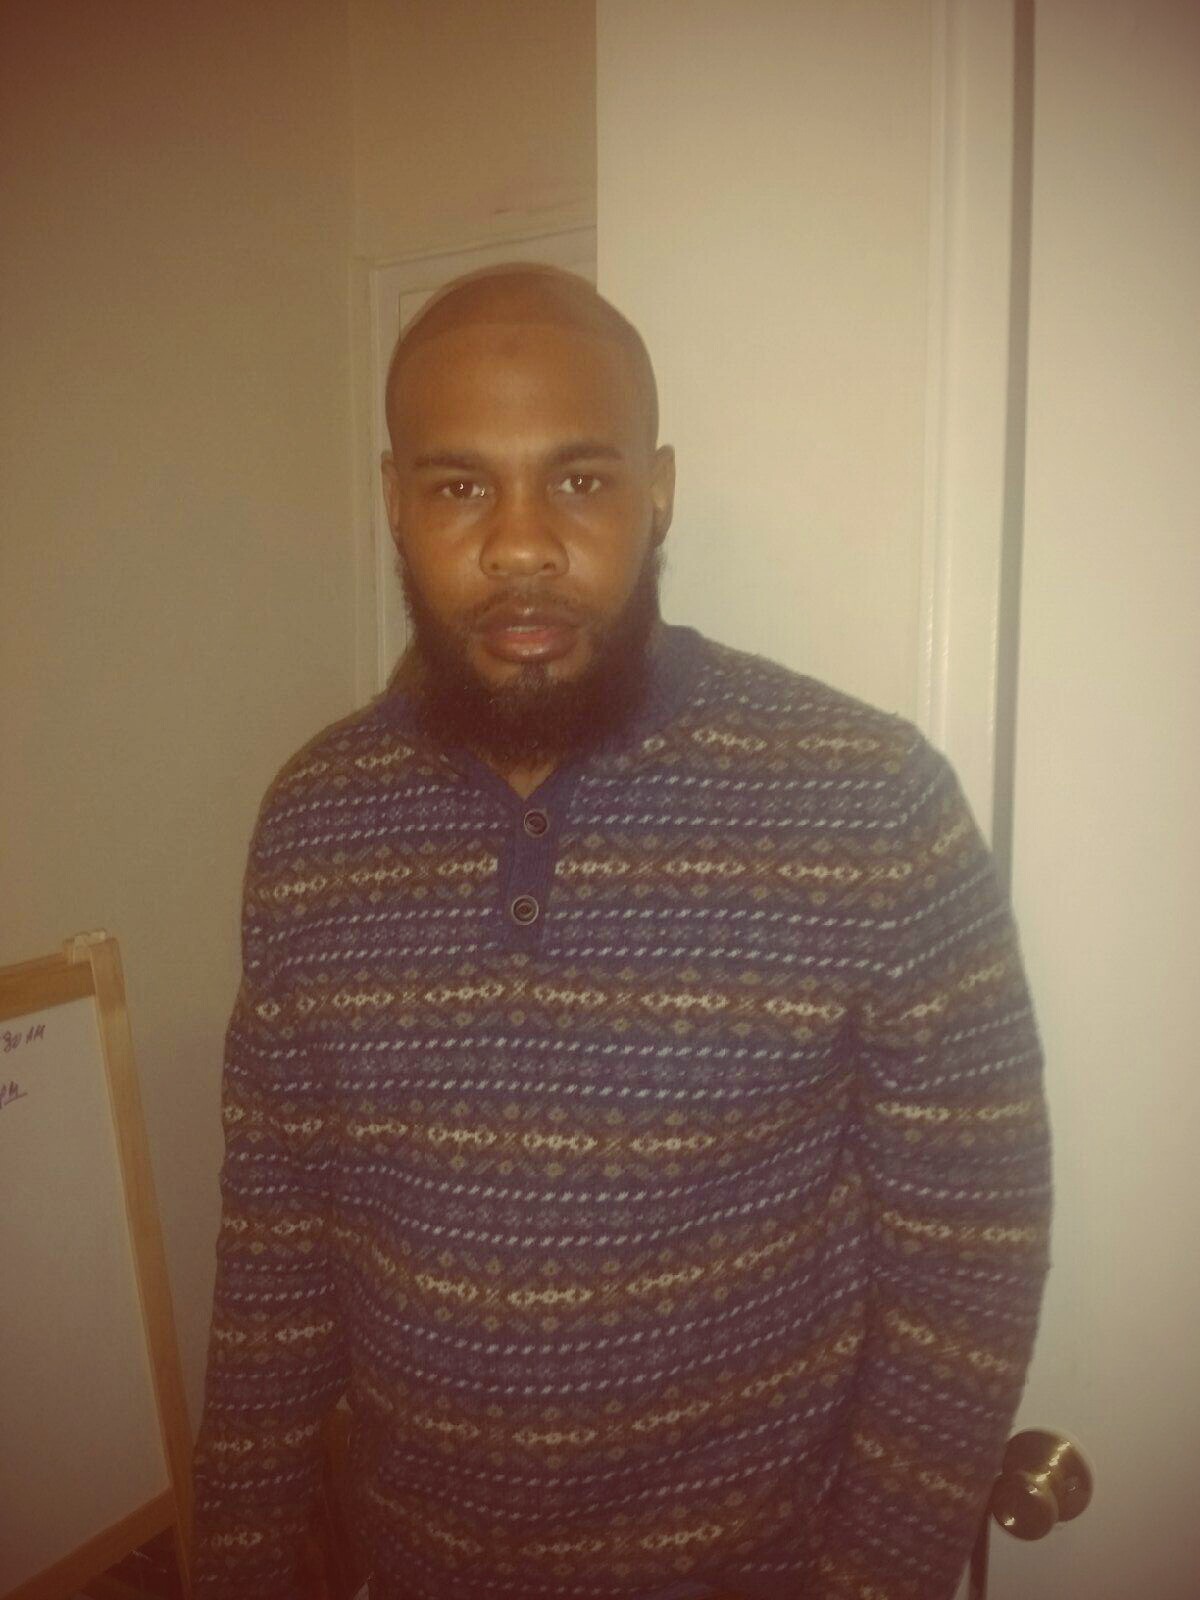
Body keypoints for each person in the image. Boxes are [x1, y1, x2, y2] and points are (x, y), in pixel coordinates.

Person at [192, 266, 1051, 1600]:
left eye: (580, 480)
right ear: (394, 502)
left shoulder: (867, 800)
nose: (521, 546)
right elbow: (275, 1253)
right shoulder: (314, 822)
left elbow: (971, 1245)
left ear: (658, 493)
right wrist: (237, 1562)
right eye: (460, 486)